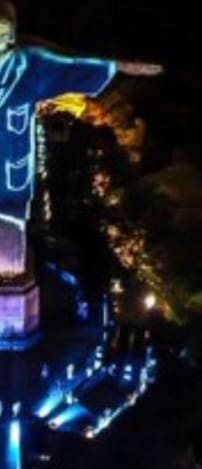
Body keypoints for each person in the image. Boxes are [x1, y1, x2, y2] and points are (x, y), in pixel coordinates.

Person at [0, 0, 162, 276]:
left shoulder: (27, 64)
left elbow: (70, 64)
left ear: (12, 35)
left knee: (10, 232)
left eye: (4, 32)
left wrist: (117, 65)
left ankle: (9, 267)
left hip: (12, 167)